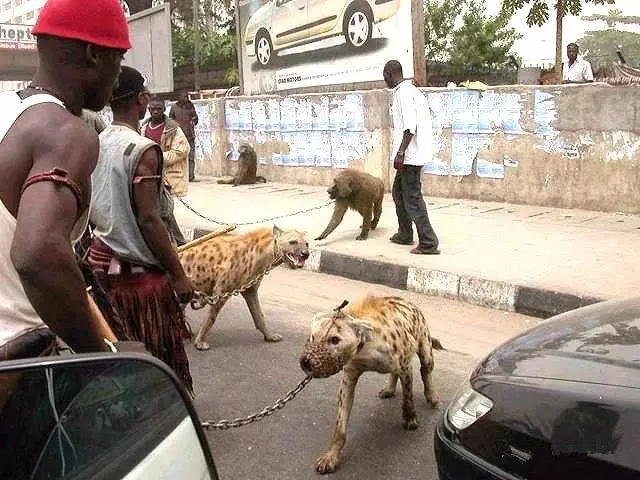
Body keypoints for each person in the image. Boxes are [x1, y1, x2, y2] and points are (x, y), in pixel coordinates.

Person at [0, 0, 132, 361]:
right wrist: (102, 355)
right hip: (18, 364)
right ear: (92, 55)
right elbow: (37, 254)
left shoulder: (6, 111)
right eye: (118, 58)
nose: (119, 74)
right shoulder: (66, 133)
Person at [87, 66, 196, 395]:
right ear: (142, 99)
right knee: (155, 357)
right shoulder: (142, 149)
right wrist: (178, 274)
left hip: (100, 267)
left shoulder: (96, 142)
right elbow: (149, 219)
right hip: (138, 281)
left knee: (117, 355)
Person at [383, 60, 440, 255]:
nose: (385, 81)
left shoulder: (404, 95)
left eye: (385, 77)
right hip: (412, 154)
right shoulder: (412, 91)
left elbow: (409, 127)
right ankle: (405, 233)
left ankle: (428, 242)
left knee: (412, 198)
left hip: (410, 155)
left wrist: (401, 152)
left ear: (390, 74)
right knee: (398, 193)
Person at [141, 96, 190, 246]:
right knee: (158, 212)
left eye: (159, 109)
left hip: (167, 177)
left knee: (165, 211)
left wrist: (158, 157)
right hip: (149, 177)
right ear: (148, 109)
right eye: (152, 109)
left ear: (164, 109)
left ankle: (179, 244)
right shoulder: (144, 127)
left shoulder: (173, 128)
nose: (155, 112)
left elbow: (183, 149)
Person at [169, 90, 199, 182]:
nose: (186, 98)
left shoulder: (190, 106)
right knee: (178, 157)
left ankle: (190, 176)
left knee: (191, 157)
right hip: (178, 136)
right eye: (184, 96)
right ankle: (179, 176)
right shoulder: (174, 107)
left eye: (187, 96)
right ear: (179, 97)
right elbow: (170, 120)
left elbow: (196, 119)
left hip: (189, 135)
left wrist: (194, 120)